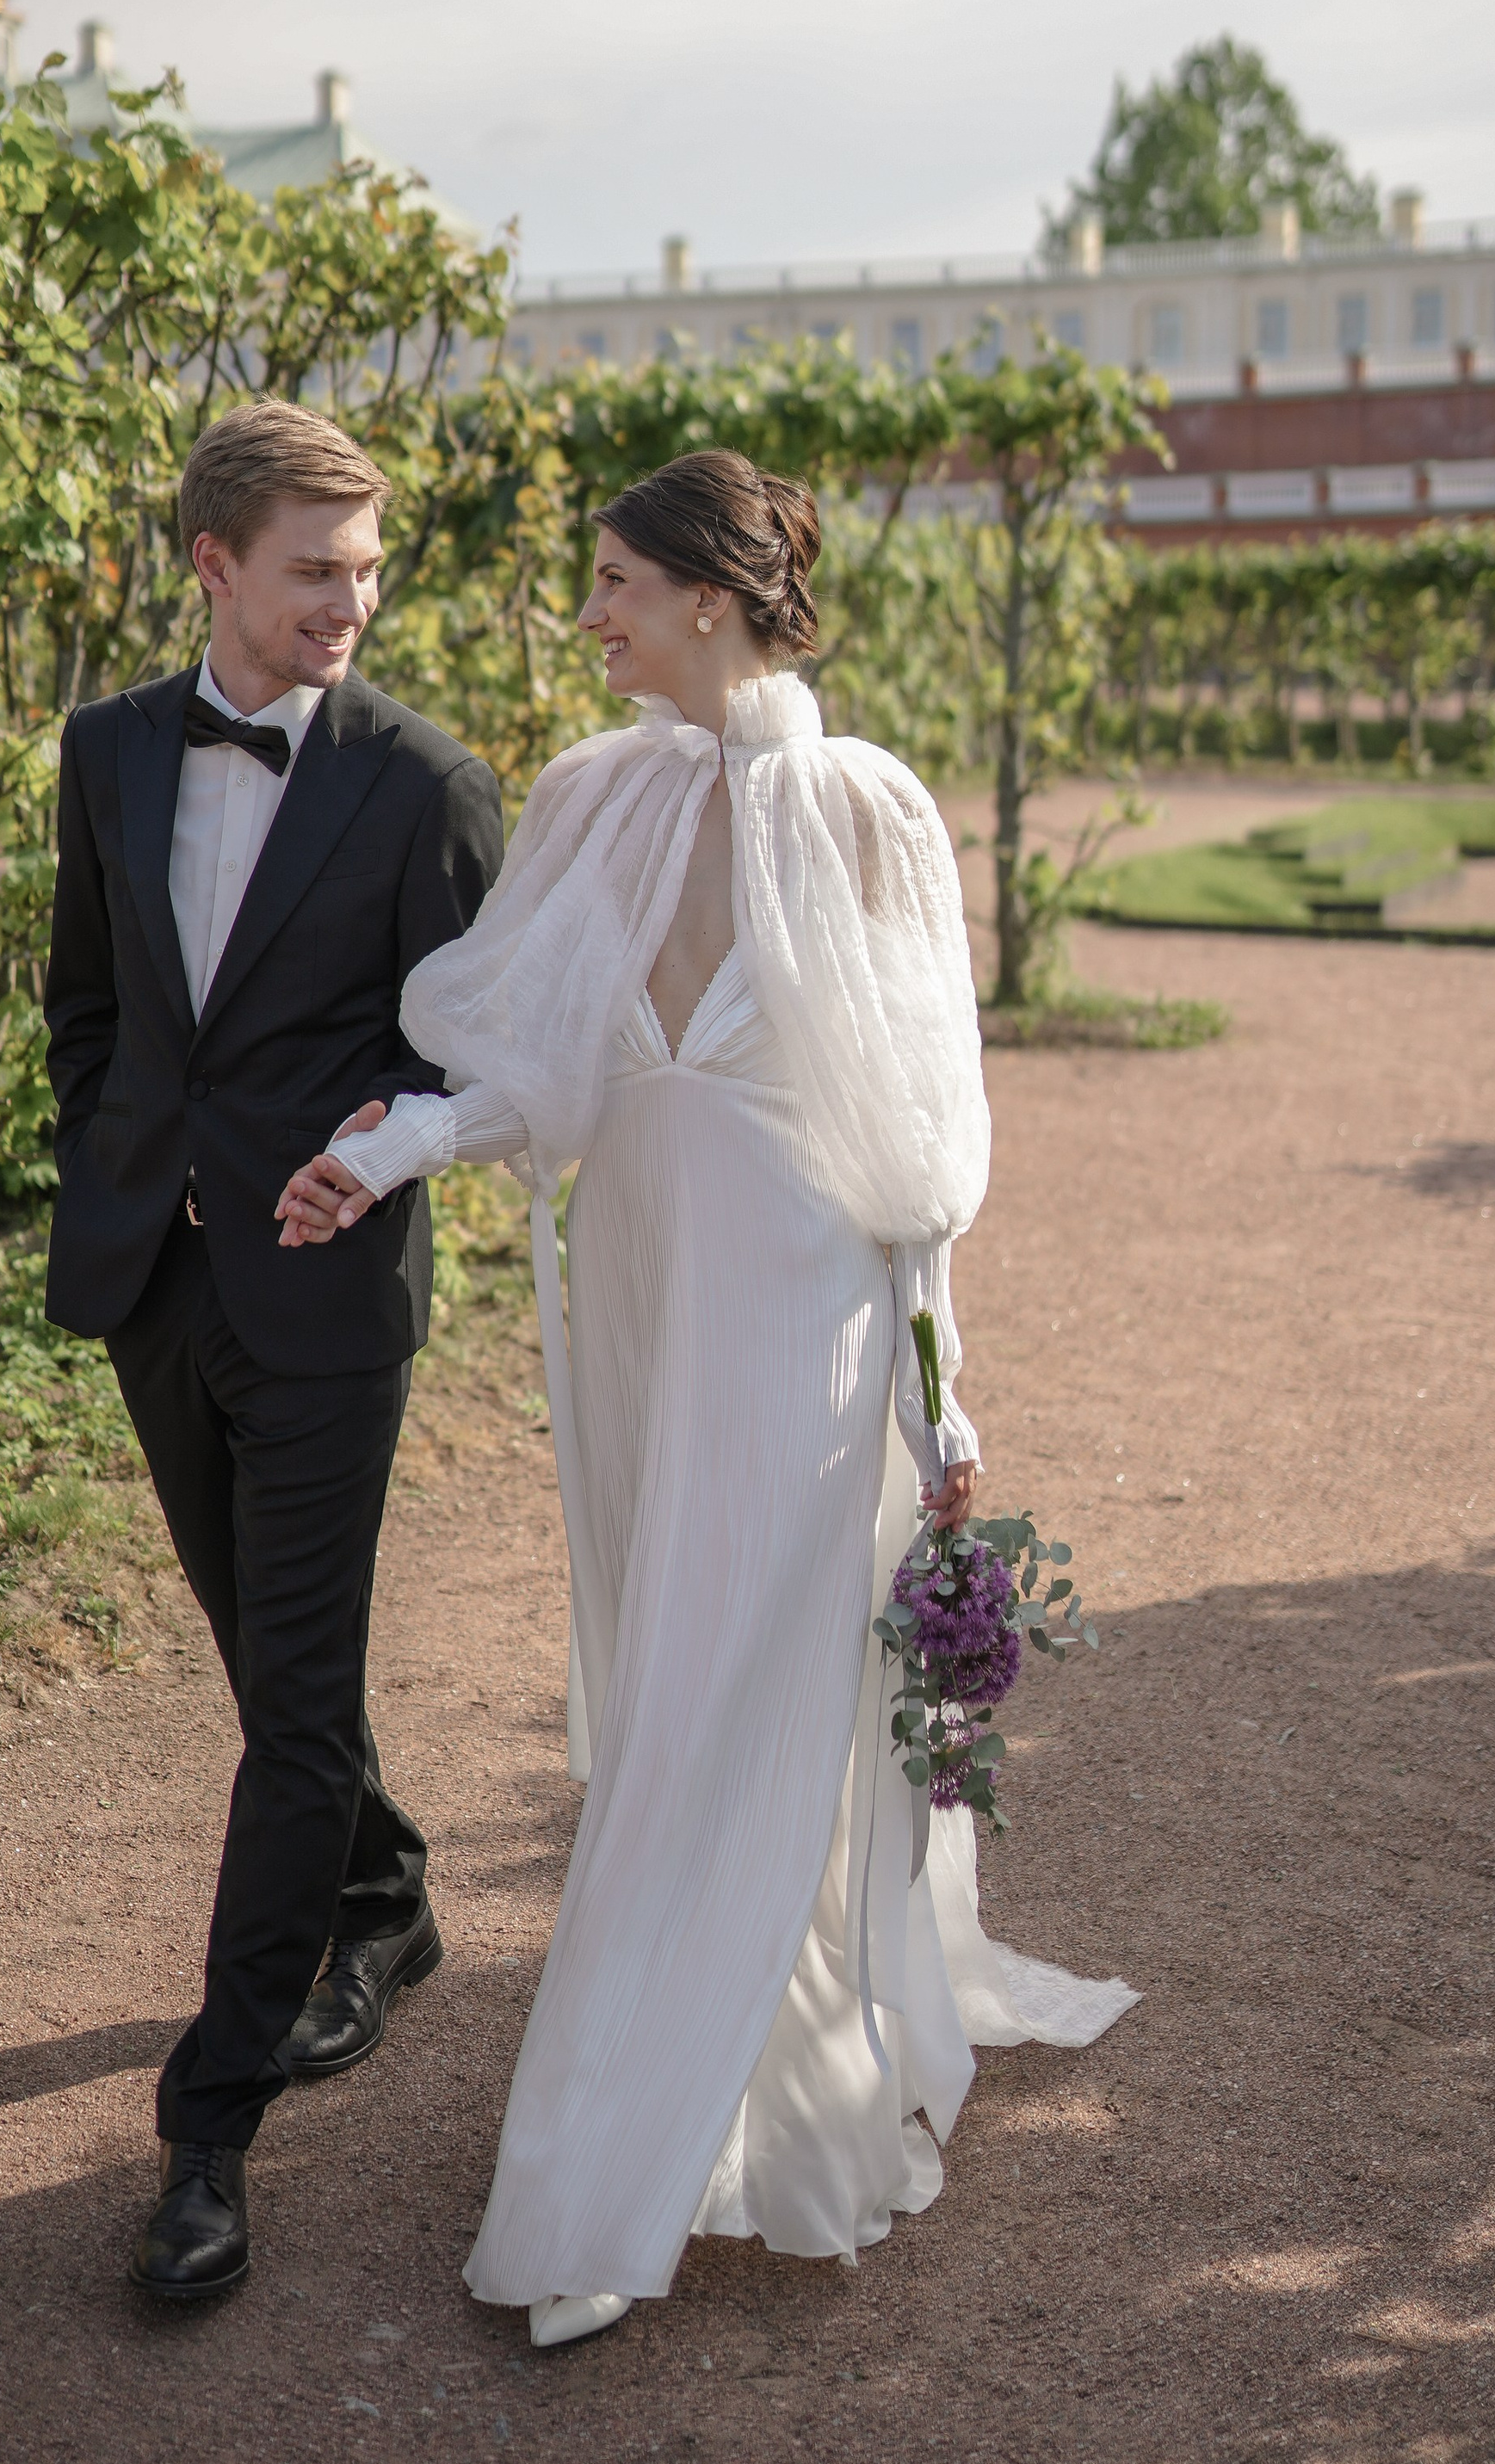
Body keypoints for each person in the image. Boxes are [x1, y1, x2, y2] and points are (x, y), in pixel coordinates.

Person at [279, 448, 1134, 2350]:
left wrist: (940, 1390)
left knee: (704, 1718)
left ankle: (605, 2179)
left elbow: (914, 1152)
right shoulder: (592, 801)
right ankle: (748, 2050)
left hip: (804, 1326)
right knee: (675, 1688)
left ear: (709, 595)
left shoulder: (866, 813)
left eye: (610, 581)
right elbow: (545, 1078)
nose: (585, 614)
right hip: (648, 1310)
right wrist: (395, 1149)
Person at [44, 398, 503, 2302]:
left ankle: (207, 2130)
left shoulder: (427, 784)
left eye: (369, 566)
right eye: (315, 567)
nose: (352, 599)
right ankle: (384, 1903)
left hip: (327, 1312)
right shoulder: (104, 750)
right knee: (264, 1664)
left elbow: (472, 1062)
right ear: (213, 565)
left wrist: (348, 1169)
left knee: (292, 1709)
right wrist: (123, 1176)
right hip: (156, 1277)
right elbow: (87, 1001)